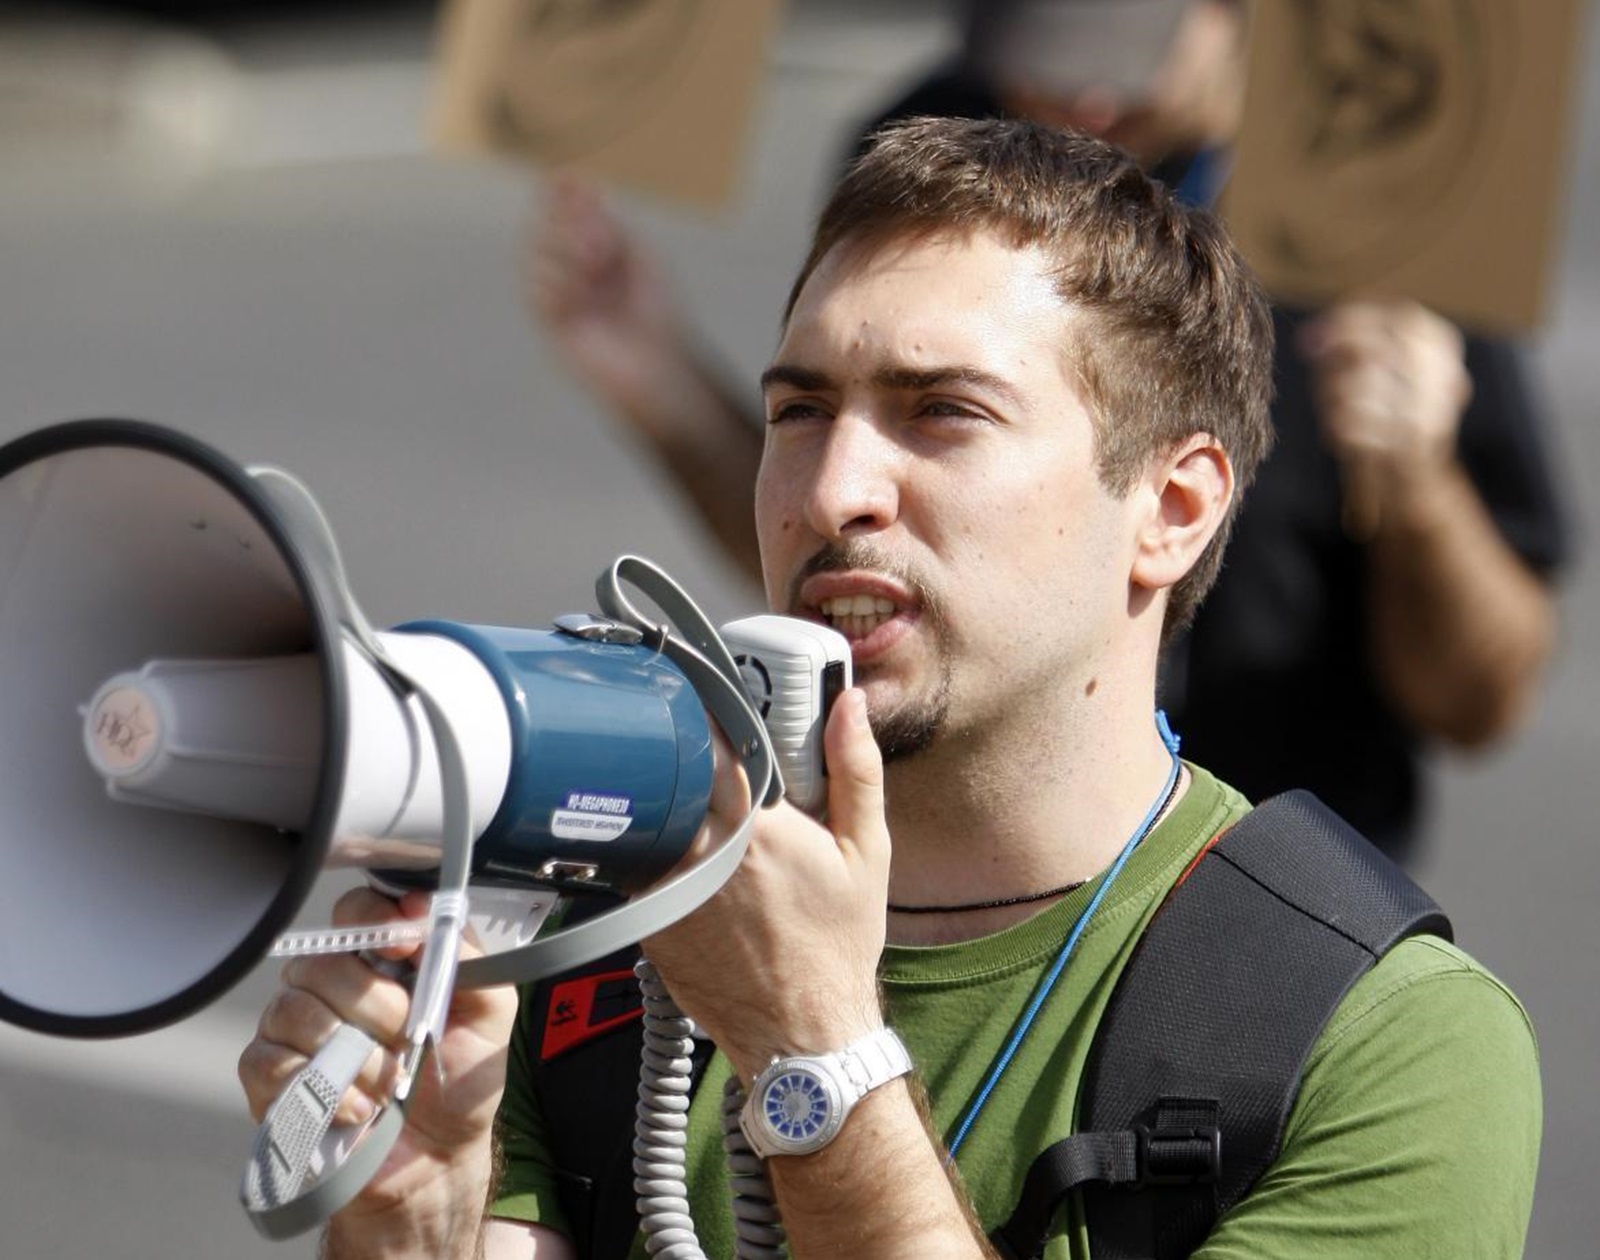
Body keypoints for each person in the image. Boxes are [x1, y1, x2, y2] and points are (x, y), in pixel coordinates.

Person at [241, 116, 1540, 1259]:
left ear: (1174, 507)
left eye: (943, 413)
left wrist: (817, 1052)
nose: (830, 489)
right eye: (801, 412)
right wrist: (406, 1229)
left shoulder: (1381, 1050)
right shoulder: (593, 951)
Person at [528, 0, 1571, 861]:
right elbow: (850, 548)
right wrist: (659, 376)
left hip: (1275, 882)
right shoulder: (940, 142)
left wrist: (1418, 483)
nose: (1071, 101)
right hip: (966, 879)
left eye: (1121, 58)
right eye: (1035, 54)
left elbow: (1479, 698)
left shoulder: (1385, 183)